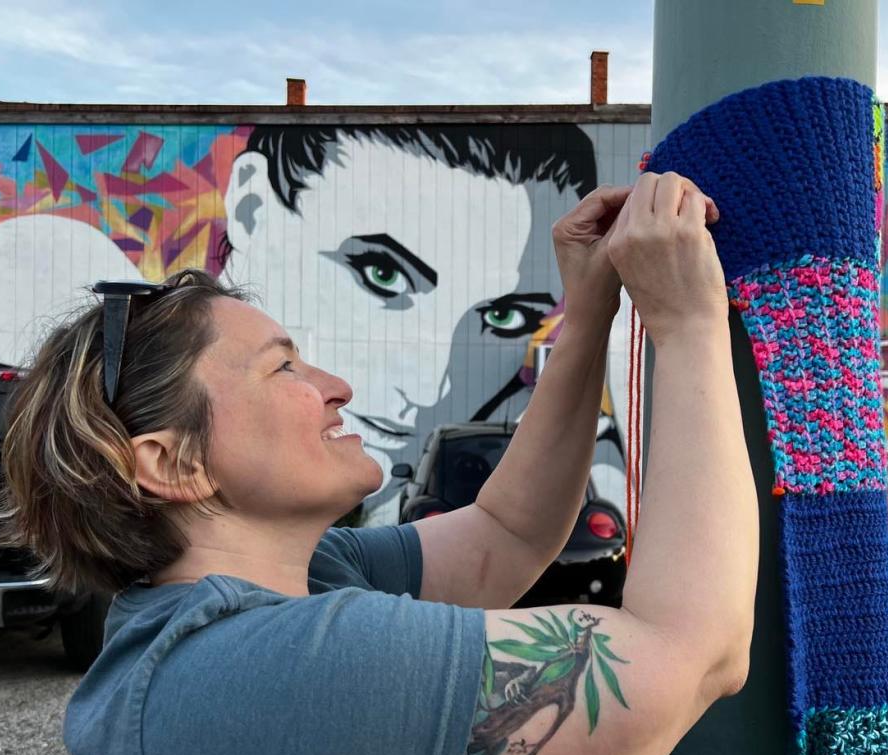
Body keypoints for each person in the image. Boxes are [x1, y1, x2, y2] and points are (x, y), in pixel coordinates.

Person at [0, 172, 758, 755]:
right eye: (283, 367)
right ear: (171, 463)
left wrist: (587, 310)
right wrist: (688, 322)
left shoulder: (300, 581)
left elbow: (506, 533)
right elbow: (692, 652)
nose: (335, 386)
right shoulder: (251, 674)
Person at [222, 123, 626, 521]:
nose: (429, 391)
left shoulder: (345, 558)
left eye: (504, 316)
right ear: (251, 205)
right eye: (382, 274)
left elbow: (506, 538)